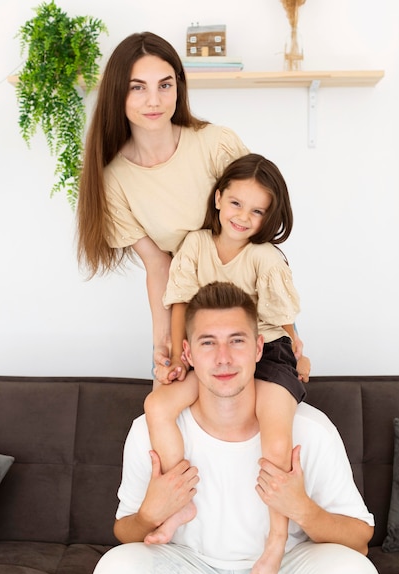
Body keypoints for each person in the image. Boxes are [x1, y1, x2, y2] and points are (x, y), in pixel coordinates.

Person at [88, 282, 386, 574]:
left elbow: (360, 541)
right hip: (189, 572)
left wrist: (302, 509)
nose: (223, 358)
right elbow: (126, 534)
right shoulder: (149, 430)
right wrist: (148, 515)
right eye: (208, 342)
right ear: (188, 353)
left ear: (259, 348)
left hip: (286, 573)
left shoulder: (310, 429)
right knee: (114, 571)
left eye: (237, 340)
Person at [144, 154, 310, 574]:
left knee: (275, 435)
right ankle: (179, 504)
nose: (243, 217)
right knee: (157, 406)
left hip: (268, 349)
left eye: (257, 211)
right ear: (218, 198)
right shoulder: (195, 245)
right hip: (212, 350)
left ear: (268, 216)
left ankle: (276, 539)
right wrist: (181, 358)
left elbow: (281, 317)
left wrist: (298, 348)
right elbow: (178, 299)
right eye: (236, 204)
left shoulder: (265, 258)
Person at [76, 31, 249, 371]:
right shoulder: (113, 181)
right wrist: (162, 343)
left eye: (164, 85)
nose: (153, 100)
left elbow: (258, 231)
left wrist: (282, 323)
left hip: (252, 304)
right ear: (117, 94)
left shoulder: (217, 144)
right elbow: (159, 266)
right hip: (190, 315)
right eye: (137, 87)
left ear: (178, 88)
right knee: (162, 400)